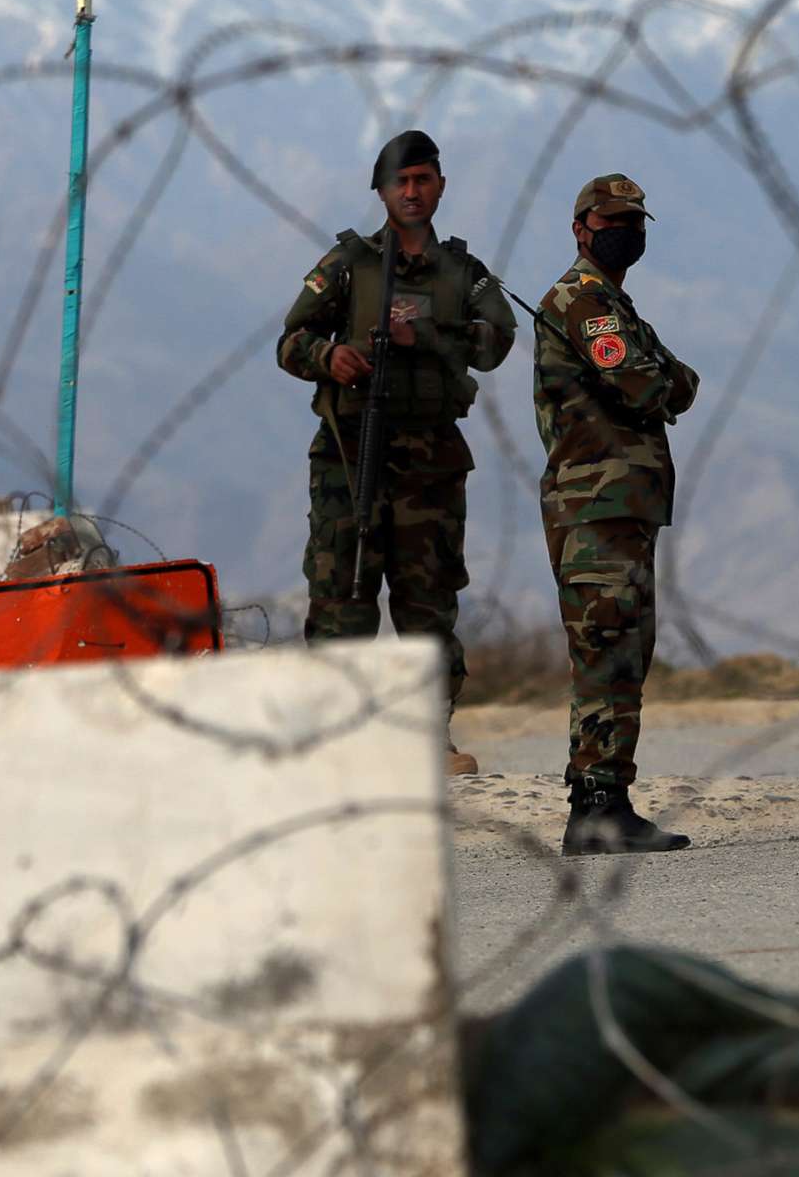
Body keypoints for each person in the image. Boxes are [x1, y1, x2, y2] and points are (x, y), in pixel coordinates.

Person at [279, 129, 515, 775]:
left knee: (428, 603)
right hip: (350, 459)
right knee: (341, 599)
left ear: (440, 185)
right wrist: (333, 356)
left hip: (430, 466)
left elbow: (496, 341)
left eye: (423, 180)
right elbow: (291, 339)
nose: (411, 192)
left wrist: (429, 336)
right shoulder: (349, 266)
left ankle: (426, 738)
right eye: (400, 182)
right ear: (380, 191)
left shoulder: (462, 273)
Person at [531, 174, 700, 855]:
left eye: (635, 219)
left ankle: (605, 797)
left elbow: (677, 381)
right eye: (612, 219)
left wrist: (663, 375)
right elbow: (651, 383)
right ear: (581, 227)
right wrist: (661, 375)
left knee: (624, 649)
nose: (626, 229)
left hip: (620, 505)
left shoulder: (613, 304)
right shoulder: (585, 303)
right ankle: (599, 804)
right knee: (608, 650)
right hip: (595, 505)